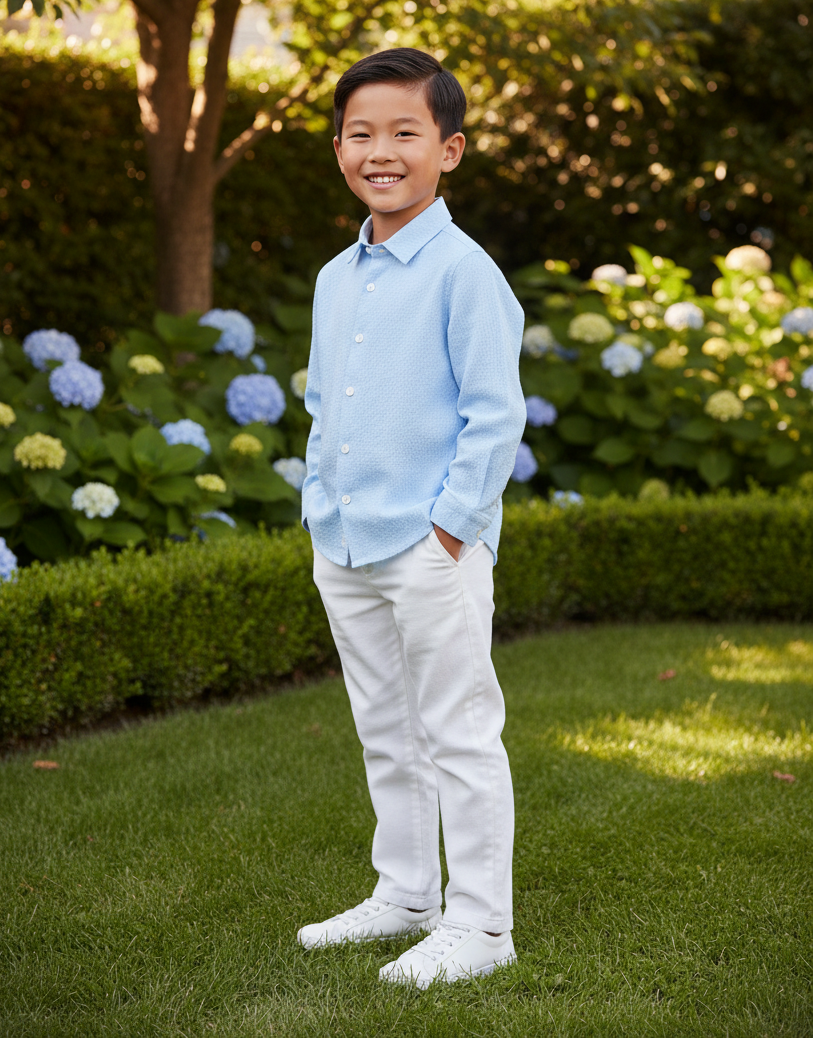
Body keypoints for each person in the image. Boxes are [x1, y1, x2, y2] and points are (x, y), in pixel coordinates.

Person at [297, 47, 526, 988]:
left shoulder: (465, 273)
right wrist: (318, 507)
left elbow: (494, 412)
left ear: (450, 149)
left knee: (457, 730)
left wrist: (451, 529)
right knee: (384, 726)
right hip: (345, 539)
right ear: (341, 147)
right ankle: (406, 893)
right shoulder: (333, 277)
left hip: (430, 546)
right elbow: (326, 405)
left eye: (404, 132)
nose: (379, 150)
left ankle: (482, 923)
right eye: (361, 133)